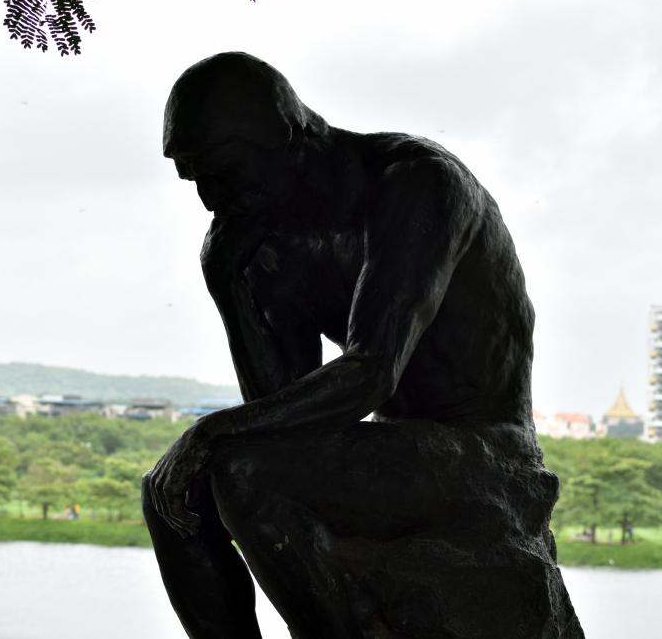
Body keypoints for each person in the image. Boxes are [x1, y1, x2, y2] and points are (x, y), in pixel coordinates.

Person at [142, 52, 583, 638]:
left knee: (241, 470)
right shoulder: (267, 240)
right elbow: (279, 411)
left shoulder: (417, 182)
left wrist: (209, 433)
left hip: (484, 452)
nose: (210, 200)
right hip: (396, 451)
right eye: (194, 180)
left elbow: (373, 372)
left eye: (224, 173)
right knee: (170, 494)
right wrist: (230, 284)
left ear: (289, 137)